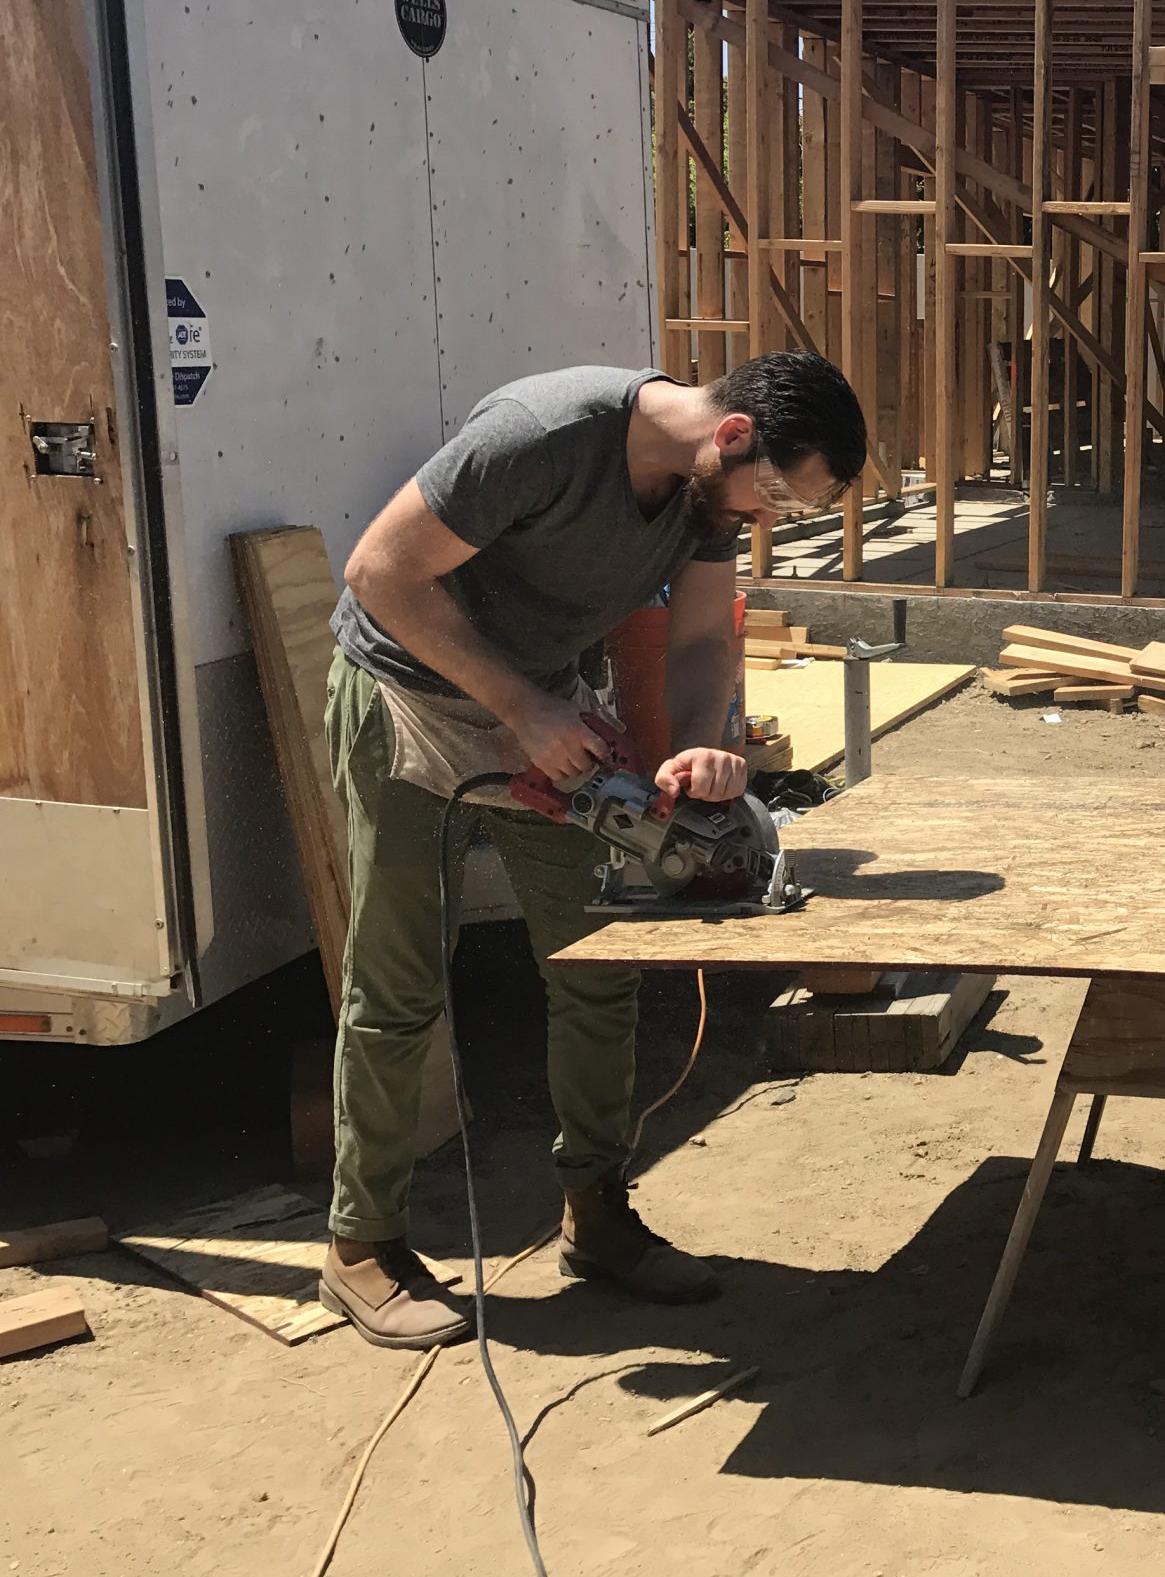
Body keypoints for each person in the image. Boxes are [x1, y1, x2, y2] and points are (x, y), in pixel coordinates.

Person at [315, 352, 866, 1349]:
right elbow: (378, 571)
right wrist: (521, 707)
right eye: (778, 496)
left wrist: (699, 743)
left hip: (547, 711)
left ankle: (598, 1215)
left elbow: (702, 640)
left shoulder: (706, 496)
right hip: (407, 697)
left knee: (598, 965)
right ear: (732, 435)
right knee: (399, 986)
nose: (768, 518)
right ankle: (361, 1248)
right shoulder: (542, 437)